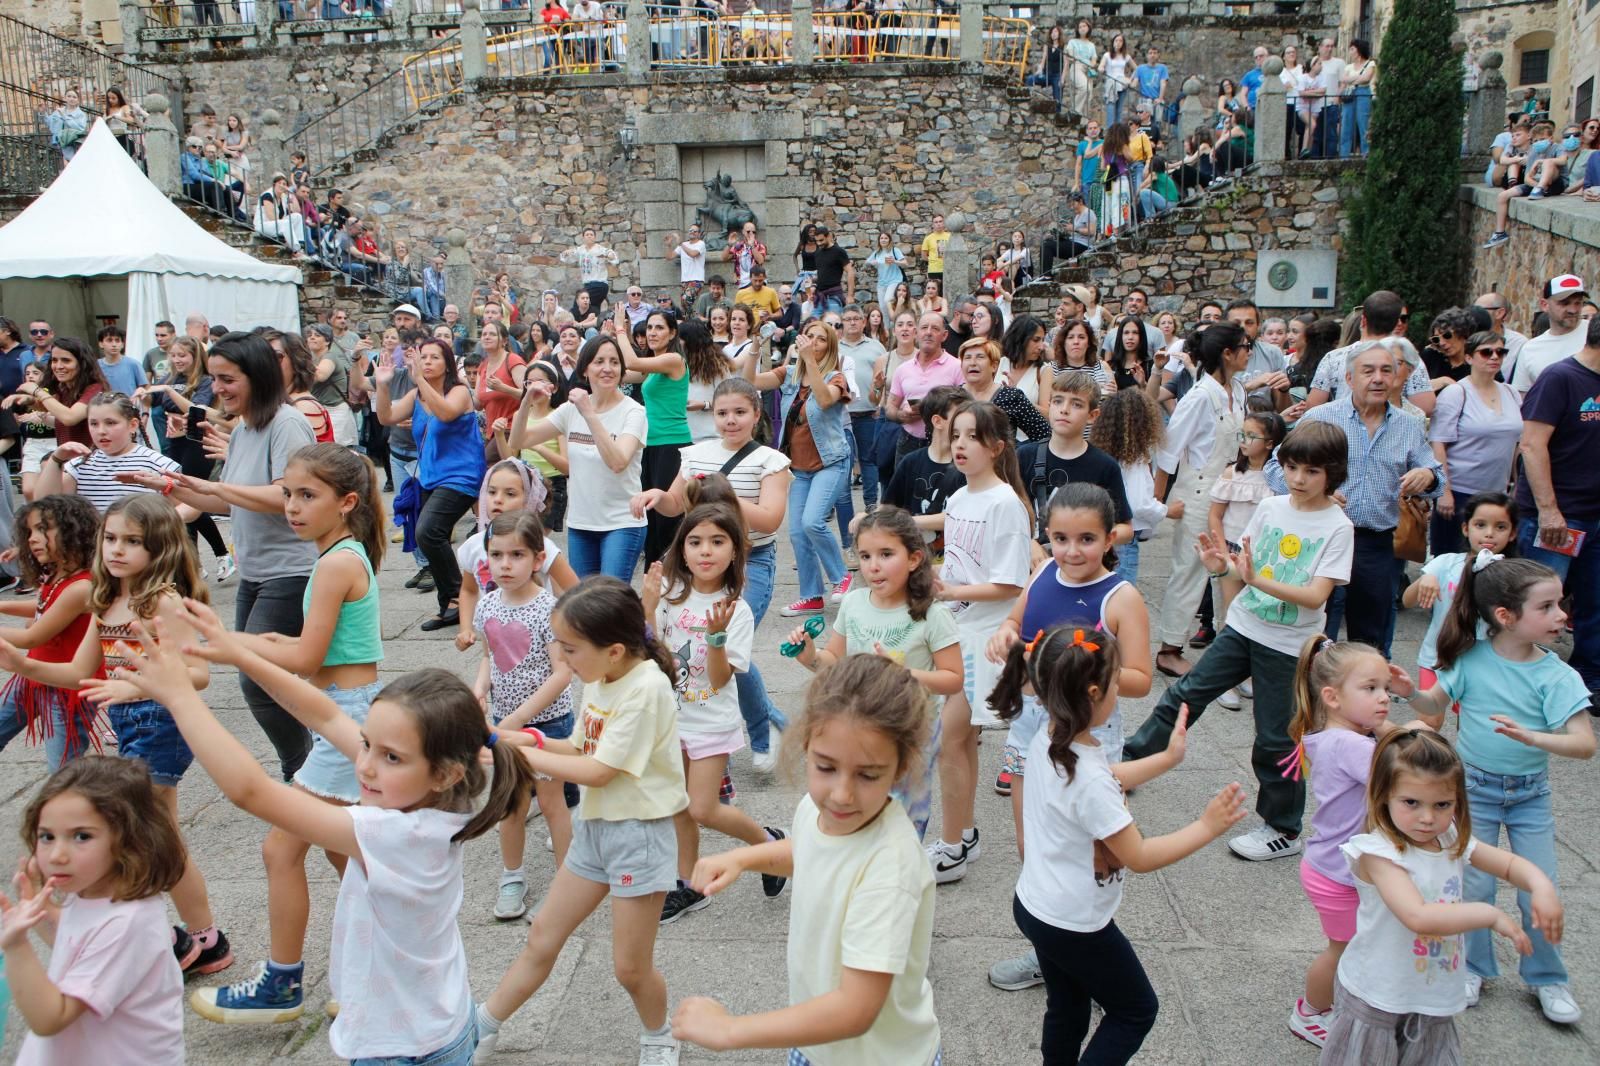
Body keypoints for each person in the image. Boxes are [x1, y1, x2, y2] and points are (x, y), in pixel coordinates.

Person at [116, 602, 537, 1063]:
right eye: (367, 745)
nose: (366, 765)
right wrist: (237, 655)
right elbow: (327, 716)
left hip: (401, 1051)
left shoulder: (394, 833)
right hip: (436, 1025)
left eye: (391, 757)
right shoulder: (438, 807)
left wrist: (181, 699)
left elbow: (251, 791)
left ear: (445, 774)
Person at [187, 443, 385, 1024]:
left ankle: (282, 983)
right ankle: (385, 967)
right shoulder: (342, 553)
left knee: (281, 849)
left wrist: (226, 650)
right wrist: (213, 640)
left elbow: (302, 656)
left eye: (306, 496)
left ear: (346, 503)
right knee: (346, 856)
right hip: (349, 710)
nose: (291, 507)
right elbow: (285, 647)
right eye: (288, 494)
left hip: (345, 714)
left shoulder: (334, 564)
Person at [0, 494, 233, 979]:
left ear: (161, 547)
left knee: (130, 831)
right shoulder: (107, 599)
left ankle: (160, 938)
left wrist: (136, 682)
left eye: (132, 541)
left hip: (162, 722)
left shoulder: (161, 601)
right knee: (161, 836)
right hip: (130, 722)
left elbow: (198, 673)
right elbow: (81, 672)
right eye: (110, 538)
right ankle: (204, 940)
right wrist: (23, 663)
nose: (117, 550)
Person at [992, 625, 1247, 1064]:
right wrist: (1207, 826)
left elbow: (1108, 776)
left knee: (1067, 1006)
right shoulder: (1087, 777)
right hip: (1074, 923)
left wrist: (1167, 759)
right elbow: (1139, 856)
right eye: (1114, 684)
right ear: (1095, 693)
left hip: (1035, 905)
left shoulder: (1050, 739)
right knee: (1135, 1010)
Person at [671, 654, 941, 1066]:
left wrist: (730, 1031)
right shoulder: (821, 813)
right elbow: (809, 849)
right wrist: (745, 858)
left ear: (902, 766)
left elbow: (855, 1010)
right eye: (826, 767)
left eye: (868, 775)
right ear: (806, 745)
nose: (841, 794)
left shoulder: (891, 868)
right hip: (816, 1038)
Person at [471, 577, 687, 1065]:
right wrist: (528, 740)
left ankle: (659, 1036)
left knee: (630, 968)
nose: (563, 662)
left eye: (570, 650)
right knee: (542, 935)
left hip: (639, 835)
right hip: (594, 828)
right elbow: (582, 749)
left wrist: (520, 757)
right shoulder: (599, 678)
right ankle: (482, 1025)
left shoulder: (645, 688)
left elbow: (600, 770)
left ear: (614, 650)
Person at [1125, 419, 1354, 863]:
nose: (1299, 479)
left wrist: (1254, 579)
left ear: (1333, 472)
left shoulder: (1338, 526)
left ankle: (1284, 829)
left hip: (1291, 646)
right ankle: (1130, 765)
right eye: (1291, 468)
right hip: (1245, 627)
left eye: (1311, 471)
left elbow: (1315, 596)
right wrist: (1219, 567)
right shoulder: (1271, 508)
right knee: (1185, 695)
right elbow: (1241, 571)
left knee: (1276, 738)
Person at [117, 333, 319, 786]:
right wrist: (164, 486)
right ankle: (314, 762)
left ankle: (304, 770)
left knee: (259, 680)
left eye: (228, 380)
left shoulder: (286, 424)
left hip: (291, 570)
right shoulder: (247, 426)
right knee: (261, 677)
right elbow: (229, 503)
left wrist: (212, 488)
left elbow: (288, 496)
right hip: (257, 572)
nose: (218, 390)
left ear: (259, 376)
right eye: (214, 380)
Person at [1408, 554, 1594, 1025]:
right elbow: (1433, 701)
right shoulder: (1471, 659)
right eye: (1548, 607)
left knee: (1539, 888)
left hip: (1531, 796)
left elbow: (1584, 745)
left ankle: (1548, 977)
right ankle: (1472, 967)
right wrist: (1404, 689)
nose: (1562, 616)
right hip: (1473, 791)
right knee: (1474, 884)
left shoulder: (1558, 675)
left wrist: (1533, 737)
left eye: (1560, 605)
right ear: (1506, 617)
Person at [1319, 730, 1565, 1060]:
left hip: (1432, 992)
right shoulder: (1378, 854)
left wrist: (1541, 885)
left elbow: (1506, 864)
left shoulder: (1449, 837)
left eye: (1442, 804)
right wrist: (1490, 915)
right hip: (1379, 993)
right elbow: (1417, 916)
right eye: (1411, 802)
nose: (1427, 817)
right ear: (1383, 796)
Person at [632, 377, 792, 770]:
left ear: (756, 414)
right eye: (722, 413)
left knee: (731, 647)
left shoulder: (770, 461)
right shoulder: (695, 454)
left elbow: (770, 520)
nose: (730, 420)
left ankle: (763, 732)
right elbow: (675, 504)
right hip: (693, 561)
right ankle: (692, 721)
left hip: (749, 562)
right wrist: (656, 497)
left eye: (740, 412)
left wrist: (723, 493)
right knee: (697, 642)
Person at [641, 496, 784, 924]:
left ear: (736, 550)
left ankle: (769, 843)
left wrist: (716, 637)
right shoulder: (669, 596)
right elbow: (647, 654)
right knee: (678, 807)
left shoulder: (735, 610)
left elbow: (721, 679)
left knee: (702, 808)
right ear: (681, 549)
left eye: (717, 541)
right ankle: (689, 885)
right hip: (670, 720)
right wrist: (647, 604)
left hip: (710, 722)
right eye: (696, 541)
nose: (706, 551)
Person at [1, 758, 186, 1063]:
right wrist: (42, 908)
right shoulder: (93, 891)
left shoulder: (126, 922)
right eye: (47, 836)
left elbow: (50, 1018)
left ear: (129, 841)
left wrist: (16, 947)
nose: (58, 855)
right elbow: (77, 945)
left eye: (81, 836)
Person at [1281, 638, 1418, 1048]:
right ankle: (1309, 1013)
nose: (1384, 699)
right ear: (1332, 697)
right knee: (1341, 949)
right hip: (1338, 873)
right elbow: (1407, 769)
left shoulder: (1338, 734)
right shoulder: (1353, 745)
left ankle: (1348, 1001)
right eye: (1370, 689)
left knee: (1356, 944)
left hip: (1332, 864)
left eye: (1386, 690)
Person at [925, 401, 1034, 884]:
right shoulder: (961, 496)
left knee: (950, 739)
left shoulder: (1005, 503)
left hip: (984, 637)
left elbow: (1011, 584)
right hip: (955, 629)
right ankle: (962, 833)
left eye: (972, 436)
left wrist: (950, 590)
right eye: (956, 434)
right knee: (959, 739)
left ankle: (951, 846)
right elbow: (956, 561)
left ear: (996, 447)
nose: (960, 444)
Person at [1277, 342, 1442, 657]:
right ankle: (1309, 697)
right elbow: (1276, 465)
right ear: (1350, 379)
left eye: (1386, 371)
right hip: (1321, 538)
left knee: (1370, 638)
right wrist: (1313, 492)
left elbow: (1436, 476)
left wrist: (1428, 477)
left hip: (1375, 545)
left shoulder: (1408, 426)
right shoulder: (1321, 417)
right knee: (1316, 631)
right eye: (1369, 371)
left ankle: (1361, 697)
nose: (1378, 379)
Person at [471, 511, 575, 921]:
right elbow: (489, 657)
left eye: (517, 555)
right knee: (510, 805)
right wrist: (480, 687)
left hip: (547, 725)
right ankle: (512, 875)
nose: (505, 564)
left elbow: (563, 674)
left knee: (552, 805)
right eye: (497, 555)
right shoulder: (488, 604)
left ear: (537, 559)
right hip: (503, 722)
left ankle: (567, 883)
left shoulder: (550, 608)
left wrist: (515, 722)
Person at [1152, 325, 1250, 677]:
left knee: (1232, 568)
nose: (1249, 351)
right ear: (1227, 352)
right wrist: (1158, 503)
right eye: (1244, 346)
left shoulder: (1237, 390)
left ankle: (1231, 646)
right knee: (1191, 570)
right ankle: (1169, 648)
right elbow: (1168, 449)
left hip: (1232, 491)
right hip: (1197, 491)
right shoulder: (1199, 396)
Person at [510, 334, 648, 582]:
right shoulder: (569, 410)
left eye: (614, 362)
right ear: (585, 369)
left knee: (609, 600)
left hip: (622, 522)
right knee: (584, 603)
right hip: (581, 523)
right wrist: (527, 400)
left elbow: (617, 462)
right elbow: (518, 441)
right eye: (599, 361)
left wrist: (589, 413)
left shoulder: (634, 412)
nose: (607, 368)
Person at [1512, 314, 1600, 699]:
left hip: (1596, 517)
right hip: (1558, 518)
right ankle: (1527, 683)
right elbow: (1532, 445)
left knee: (1596, 603)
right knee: (1540, 604)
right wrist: (1549, 510)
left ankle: (1590, 680)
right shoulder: (1559, 378)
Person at [375, 339, 483, 632]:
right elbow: (386, 417)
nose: (427, 361)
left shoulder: (459, 391)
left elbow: (446, 413)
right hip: (432, 476)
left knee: (428, 530)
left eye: (435, 357)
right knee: (426, 535)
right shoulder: (416, 395)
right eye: (423, 357)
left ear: (447, 363)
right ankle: (450, 603)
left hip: (462, 475)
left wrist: (420, 380)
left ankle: (459, 599)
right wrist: (383, 386)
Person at [0, 494, 100, 767]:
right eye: (29, 530)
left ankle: (77, 807)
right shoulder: (58, 573)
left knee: (63, 767)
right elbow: (47, 606)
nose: (32, 538)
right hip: (34, 672)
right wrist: (4, 606)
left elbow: (33, 636)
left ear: (73, 531)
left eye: (43, 529)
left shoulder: (82, 586)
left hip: (64, 686)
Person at [1205, 410, 1286, 711]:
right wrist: (1222, 552)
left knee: (1257, 614)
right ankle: (1223, 680)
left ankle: (1245, 674)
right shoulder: (1231, 473)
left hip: (1263, 554)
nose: (1244, 440)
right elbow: (1215, 514)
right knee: (1229, 611)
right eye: (1242, 434)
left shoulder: (1277, 477)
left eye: (1251, 436)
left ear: (1270, 443)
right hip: (1231, 549)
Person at [1403, 492, 1517, 698]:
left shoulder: (1513, 574)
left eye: (1500, 527)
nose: (1489, 534)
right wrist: (1425, 580)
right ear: (1466, 528)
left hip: (1484, 662)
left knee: (1470, 720)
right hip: (1436, 656)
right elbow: (1407, 601)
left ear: (1512, 533)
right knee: (1428, 721)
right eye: (1480, 525)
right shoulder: (1445, 562)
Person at [1428, 332, 1522, 556]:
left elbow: (1518, 444)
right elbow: (1438, 443)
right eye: (1486, 352)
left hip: (1498, 493)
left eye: (1501, 352)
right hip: (1460, 490)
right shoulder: (1456, 393)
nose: (1494, 357)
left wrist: (1517, 485)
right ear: (1469, 357)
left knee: (1492, 560)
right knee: (1451, 558)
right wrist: (1444, 491)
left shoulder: (1511, 392)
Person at [615, 305, 690, 567]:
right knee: (650, 516)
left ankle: (672, 574)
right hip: (650, 445)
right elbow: (622, 372)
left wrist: (620, 330)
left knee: (667, 518)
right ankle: (653, 577)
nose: (653, 332)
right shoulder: (653, 368)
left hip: (672, 444)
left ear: (671, 334)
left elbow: (632, 362)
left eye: (659, 328)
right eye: (649, 327)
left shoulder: (673, 360)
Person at [34, 393, 178, 514]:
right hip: (93, 545)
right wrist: (56, 459)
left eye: (110, 423)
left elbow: (187, 506)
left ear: (133, 425)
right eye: (94, 424)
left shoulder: (158, 463)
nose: (101, 431)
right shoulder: (80, 465)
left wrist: (155, 524)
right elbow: (46, 505)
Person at [1510, 274, 1589, 397]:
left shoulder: (1595, 334)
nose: (1573, 310)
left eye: (1578, 303)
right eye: (1564, 303)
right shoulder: (1530, 349)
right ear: (1544, 305)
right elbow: (1523, 398)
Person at [559, 227, 620, 310]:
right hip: (588, 285)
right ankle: (594, 321)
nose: (589, 236)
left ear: (594, 237)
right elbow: (567, 257)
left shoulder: (600, 249)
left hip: (599, 284)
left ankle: (576, 321)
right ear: (583, 238)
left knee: (579, 305)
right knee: (592, 309)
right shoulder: (580, 250)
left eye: (591, 235)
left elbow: (612, 256)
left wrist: (610, 255)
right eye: (587, 235)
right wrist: (566, 253)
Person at [1338, 39, 1376, 157]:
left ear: (1359, 50)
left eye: (1352, 49)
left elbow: (1366, 78)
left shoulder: (1370, 64)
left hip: (1363, 92)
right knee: (1346, 124)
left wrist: (1351, 79)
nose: (1350, 51)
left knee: (1363, 123)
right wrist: (1356, 78)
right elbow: (1343, 80)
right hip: (1349, 94)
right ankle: (1344, 156)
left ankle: (1366, 154)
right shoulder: (1348, 66)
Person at [811, 224, 855, 314]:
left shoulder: (838, 251)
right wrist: (812, 284)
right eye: (817, 241)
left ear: (828, 236)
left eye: (821, 240)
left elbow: (850, 271)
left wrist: (850, 295)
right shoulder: (817, 253)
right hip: (819, 297)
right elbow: (822, 274)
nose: (819, 243)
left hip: (833, 296)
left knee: (834, 325)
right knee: (814, 324)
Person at [663, 224, 706, 310]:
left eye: (695, 231)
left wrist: (681, 244)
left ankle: (696, 319)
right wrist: (668, 245)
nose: (692, 232)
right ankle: (690, 322)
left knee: (685, 300)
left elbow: (693, 254)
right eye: (690, 230)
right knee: (685, 306)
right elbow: (669, 257)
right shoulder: (684, 245)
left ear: (699, 234)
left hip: (696, 279)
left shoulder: (701, 243)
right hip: (685, 280)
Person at [867, 231, 908, 311]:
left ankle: (895, 319)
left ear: (889, 240)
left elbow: (905, 264)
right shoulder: (876, 253)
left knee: (888, 300)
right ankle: (887, 324)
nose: (883, 240)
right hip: (881, 283)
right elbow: (867, 263)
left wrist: (895, 261)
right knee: (882, 307)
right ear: (879, 240)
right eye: (881, 238)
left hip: (894, 280)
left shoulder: (895, 250)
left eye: (886, 238)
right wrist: (872, 262)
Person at [919, 212, 951, 286]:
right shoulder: (928, 238)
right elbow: (924, 256)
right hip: (934, 270)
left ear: (944, 223)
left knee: (948, 294)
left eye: (940, 221)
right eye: (936, 222)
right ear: (933, 225)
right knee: (935, 294)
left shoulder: (950, 236)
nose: (938, 224)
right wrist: (933, 260)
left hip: (948, 269)